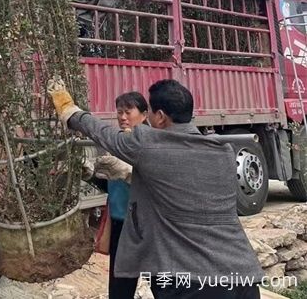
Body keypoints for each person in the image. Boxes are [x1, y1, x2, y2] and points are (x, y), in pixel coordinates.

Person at [49, 78, 262, 299]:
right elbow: (185, 189)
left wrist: (70, 111)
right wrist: (131, 174)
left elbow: (104, 133)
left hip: (191, 282)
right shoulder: (223, 152)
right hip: (243, 277)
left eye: (149, 111)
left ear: (159, 117)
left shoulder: (146, 144)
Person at [97, 91, 149, 299]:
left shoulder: (150, 145)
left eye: (128, 112)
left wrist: (129, 173)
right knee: (120, 287)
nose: (122, 117)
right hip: (120, 222)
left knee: (162, 281)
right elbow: (112, 184)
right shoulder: (117, 143)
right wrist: (91, 175)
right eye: (119, 112)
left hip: (146, 225)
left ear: (144, 115)